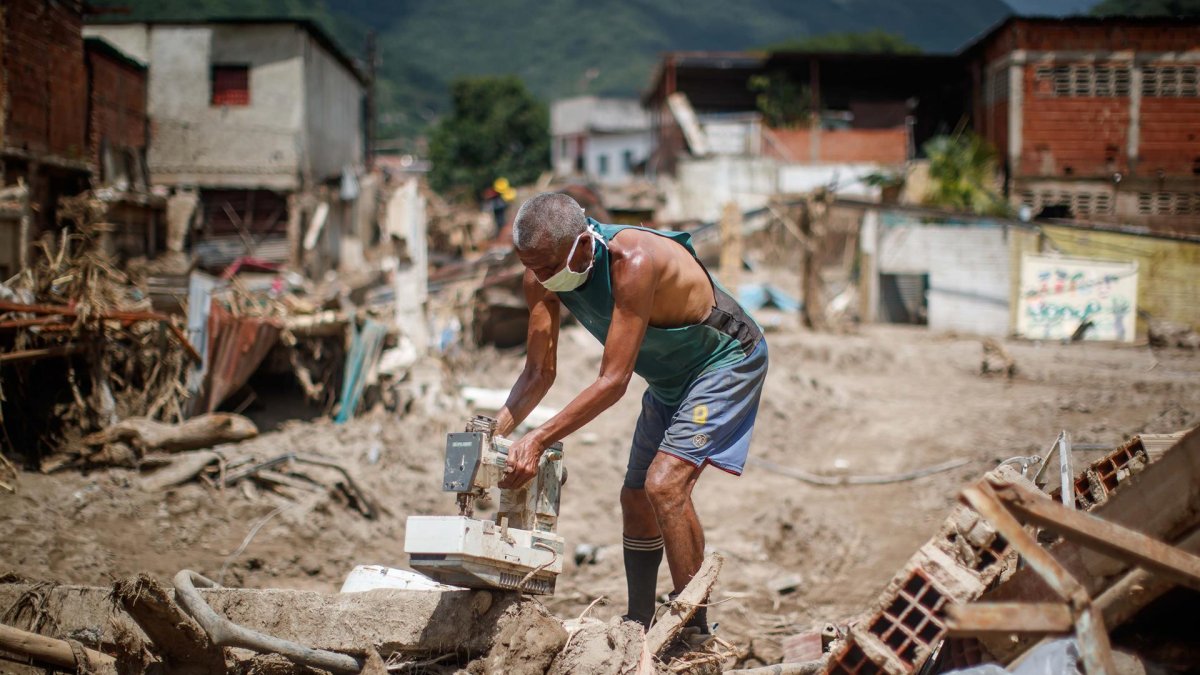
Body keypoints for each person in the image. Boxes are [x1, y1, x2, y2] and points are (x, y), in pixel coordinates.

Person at [494, 192, 768, 634]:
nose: (541, 279)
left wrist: (538, 439)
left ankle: (693, 631)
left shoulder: (633, 261)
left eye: (549, 267)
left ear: (584, 244)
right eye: (532, 268)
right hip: (668, 379)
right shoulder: (540, 274)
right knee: (635, 497)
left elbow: (613, 381)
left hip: (725, 362)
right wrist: (492, 433)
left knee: (665, 485)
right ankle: (637, 625)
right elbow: (538, 373)